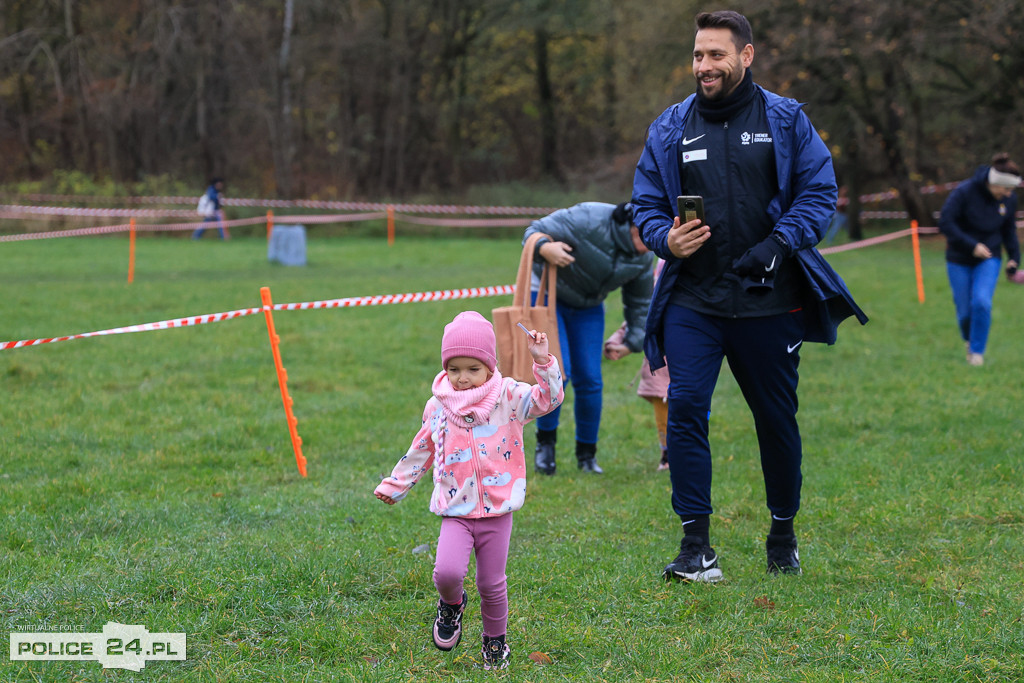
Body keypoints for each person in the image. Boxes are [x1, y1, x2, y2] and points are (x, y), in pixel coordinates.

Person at [631, 10, 867, 582]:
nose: (704, 66)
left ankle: (782, 531)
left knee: (775, 420)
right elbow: (645, 205)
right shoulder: (670, 128)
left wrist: (779, 244)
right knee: (685, 408)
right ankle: (696, 547)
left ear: (747, 55)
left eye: (715, 55)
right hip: (695, 300)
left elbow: (820, 192)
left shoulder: (786, 120)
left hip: (770, 299)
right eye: (697, 55)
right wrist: (667, 237)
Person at [374, 311, 563, 670]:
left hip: (497, 510)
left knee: (491, 584)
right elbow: (421, 449)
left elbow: (549, 399)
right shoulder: (439, 406)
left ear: (490, 367)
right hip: (455, 510)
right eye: (454, 368)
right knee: (446, 572)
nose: (462, 378)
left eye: (472, 369)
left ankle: (495, 643)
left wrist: (543, 361)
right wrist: (395, 485)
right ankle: (452, 604)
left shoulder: (508, 396)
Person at [523, 201, 655, 475]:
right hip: (549, 297)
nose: (649, 244)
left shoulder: (645, 255)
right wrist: (545, 248)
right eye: (643, 234)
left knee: (591, 379)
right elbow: (533, 231)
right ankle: (545, 447)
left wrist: (631, 341)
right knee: (560, 372)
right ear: (630, 223)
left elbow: (640, 303)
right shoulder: (589, 217)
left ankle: (587, 456)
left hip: (589, 307)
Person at [938, 153, 1021, 366]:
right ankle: (969, 340)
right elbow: (946, 222)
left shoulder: (1008, 200)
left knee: (982, 302)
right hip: (958, 258)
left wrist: (1014, 258)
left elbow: (1009, 230)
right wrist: (971, 246)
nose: (1009, 194)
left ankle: (976, 353)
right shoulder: (965, 192)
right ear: (996, 183)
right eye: (1006, 189)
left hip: (990, 258)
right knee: (965, 312)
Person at [604, 259, 671, 471]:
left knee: (687, 414)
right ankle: (667, 454)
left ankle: (686, 451)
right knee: (663, 418)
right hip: (660, 372)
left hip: (686, 369)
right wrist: (616, 342)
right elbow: (635, 323)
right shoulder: (653, 294)